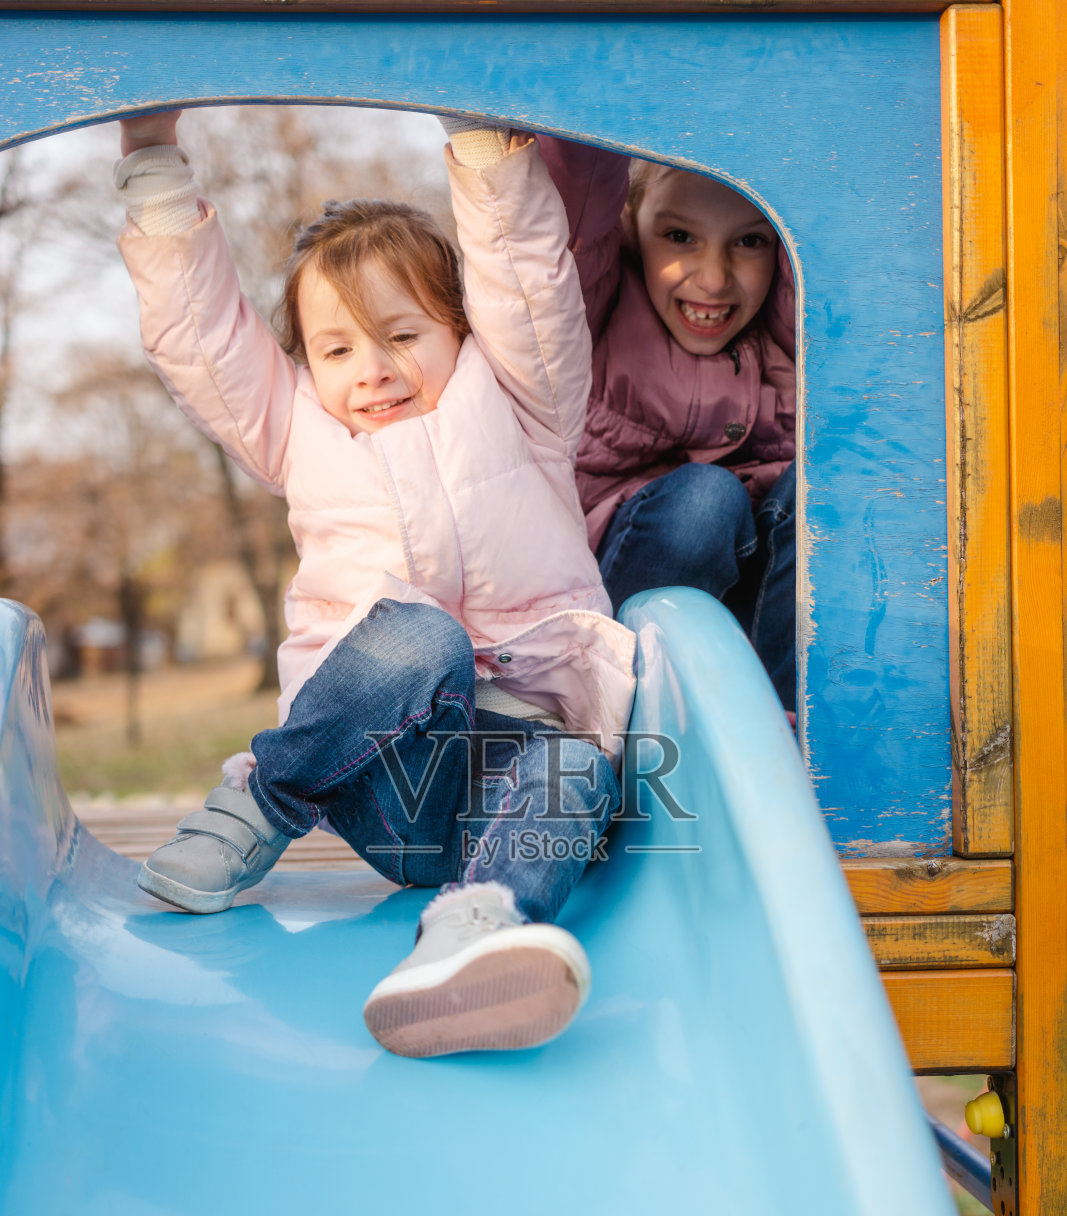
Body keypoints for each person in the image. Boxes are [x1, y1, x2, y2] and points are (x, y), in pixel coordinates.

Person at [114, 110, 636, 1058]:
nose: (375, 370)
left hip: (501, 789)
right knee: (418, 635)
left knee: (578, 767)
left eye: (403, 334)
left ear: (459, 330)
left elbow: (525, 279)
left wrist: (479, 139)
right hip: (366, 774)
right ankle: (262, 804)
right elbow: (201, 340)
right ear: (307, 363)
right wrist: (151, 158)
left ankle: (475, 930)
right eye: (339, 349)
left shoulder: (525, 401)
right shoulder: (294, 431)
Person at [538, 138, 796, 712]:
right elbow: (575, 203)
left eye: (749, 242)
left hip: (765, 602)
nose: (712, 279)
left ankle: (789, 726)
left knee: (823, 484)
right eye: (679, 237)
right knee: (706, 500)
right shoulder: (594, 305)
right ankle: (635, 708)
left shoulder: (787, 319)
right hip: (636, 582)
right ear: (630, 226)